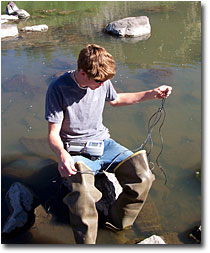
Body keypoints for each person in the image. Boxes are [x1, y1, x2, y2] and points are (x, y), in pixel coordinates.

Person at [45, 44, 172, 244]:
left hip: (104, 143)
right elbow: (53, 134)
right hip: (75, 150)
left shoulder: (101, 81)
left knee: (143, 175)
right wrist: (62, 155)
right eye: (98, 81)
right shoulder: (58, 88)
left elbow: (117, 99)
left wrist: (152, 93)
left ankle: (117, 225)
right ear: (82, 72)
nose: (103, 85)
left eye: (105, 81)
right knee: (83, 194)